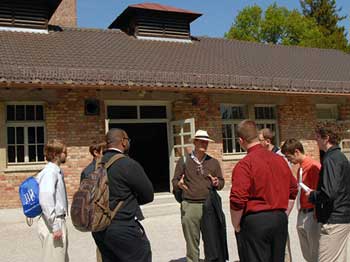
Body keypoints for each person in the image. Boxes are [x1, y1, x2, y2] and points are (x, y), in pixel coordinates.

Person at [230, 120, 298, 262]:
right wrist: (284, 213)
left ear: (240, 140)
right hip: (279, 219)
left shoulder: (245, 164)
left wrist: (236, 224)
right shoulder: (280, 160)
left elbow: (237, 199)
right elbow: (293, 189)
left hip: (256, 221)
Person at [92, 128, 154, 262]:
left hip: (98, 228)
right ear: (123, 142)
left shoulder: (93, 167)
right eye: (128, 139)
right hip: (123, 227)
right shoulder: (128, 164)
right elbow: (148, 195)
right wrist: (131, 199)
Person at [172, 129, 226, 262]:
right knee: (192, 243)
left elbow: (221, 182)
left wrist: (216, 182)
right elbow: (174, 180)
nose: (204, 144)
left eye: (206, 142)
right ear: (195, 142)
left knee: (211, 241)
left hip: (209, 206)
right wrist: (179, 184)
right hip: (190, 205)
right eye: (201, 141)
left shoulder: (213, 162)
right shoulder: (183, 161)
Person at [307, 126, 350, 262]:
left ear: (326, 138)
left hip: (334, 218)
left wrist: (313, 195)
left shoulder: (331, 159)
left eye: (318, 137)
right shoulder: (339, 157)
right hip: (341, 216)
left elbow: (329, 193)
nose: (316, 140)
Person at [281, 139, 321, 262]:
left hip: (311, 214)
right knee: (307, 253)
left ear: (297, 152)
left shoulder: (313, 167)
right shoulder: (300, 168)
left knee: (315, 253)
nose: (289, 160)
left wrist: (316, 213)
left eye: (289, 157)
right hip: (302, 212)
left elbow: (317, 192)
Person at [259, 128, 294, 262]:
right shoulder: (262, 155)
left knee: (282, 245)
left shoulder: (281, 157)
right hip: (267, 206)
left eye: (260, 140)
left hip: (279, 205)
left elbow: (288, 184)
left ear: (267, 141)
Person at [36, 139, 69, 262]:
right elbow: (46, 200)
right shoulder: (50, 173)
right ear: (55, 154)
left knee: (60, 257)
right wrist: (55, 226)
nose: (66, 154)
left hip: (57, 221)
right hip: (53, 223)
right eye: (64, 152)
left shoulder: (55, 171)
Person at [80, 140, 105, 262]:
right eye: (104, 151)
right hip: (98, 215)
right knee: (102, 247)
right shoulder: (89, 171)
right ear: (96, 152)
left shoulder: (103, 167)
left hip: (98, 215)